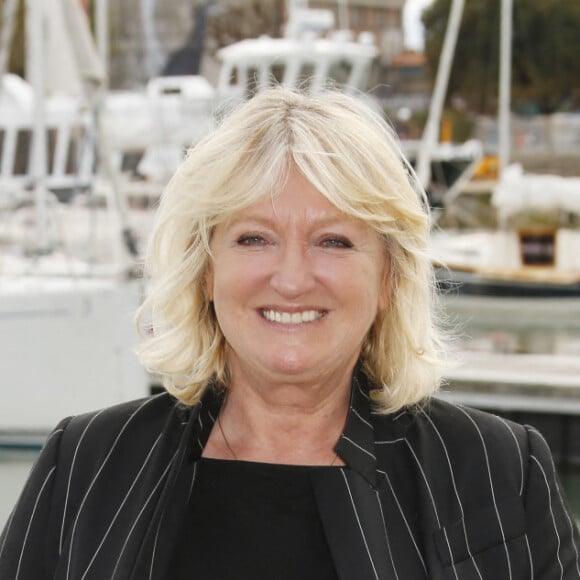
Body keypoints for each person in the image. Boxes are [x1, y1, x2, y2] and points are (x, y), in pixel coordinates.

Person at [1, 87, 579, 580]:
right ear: (205, 272)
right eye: (254, 238)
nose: (293, 279)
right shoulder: (86, 463)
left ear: (389, 279)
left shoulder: (497, 469)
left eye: (334, 241)